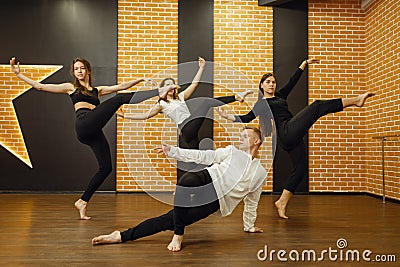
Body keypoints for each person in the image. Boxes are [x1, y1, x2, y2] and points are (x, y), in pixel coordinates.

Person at [10, 57, 173, 220]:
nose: (79, 71)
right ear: (73, 72)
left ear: (88, 70)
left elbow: (120, 86)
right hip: (84, 124)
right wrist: (19, 75)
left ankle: (82, 201)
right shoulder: (71, 88)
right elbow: (40, 86)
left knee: (106, 168)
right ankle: (159, 92)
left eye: (82, 68)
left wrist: (140, 79)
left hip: (93, 132)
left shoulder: (98, 91)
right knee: (119, 99)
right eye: (76, 69)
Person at [218, 59, 375, 219]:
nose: (271, 85)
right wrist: (227, 116)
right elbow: (246, 118)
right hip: (286, 132)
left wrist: (304, 64)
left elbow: (293, 81)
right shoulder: (262, 103)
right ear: (262, 86)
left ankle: (282, 202)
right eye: (268, 82)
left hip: (291, 135)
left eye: (273, 82)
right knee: (317, 106)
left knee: (301, 169)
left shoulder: (279, 96)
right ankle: (356, 101)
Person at [91, 126, 267, 252]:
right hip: (207, 178)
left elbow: (252, 201)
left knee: (169, 220)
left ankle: (121, 236)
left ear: (256, 140)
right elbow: (203, 156)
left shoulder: (260, 173)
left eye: (245, 136)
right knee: (185, 181)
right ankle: (179, 234)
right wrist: (173, 151)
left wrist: (249, 226)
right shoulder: (231, 152)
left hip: (216, 201)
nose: (240, 139)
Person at [117, 57, 253, 150]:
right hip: (185, 127)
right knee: (205, 102)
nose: (170, 87)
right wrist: (125, 116)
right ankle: (237, 97)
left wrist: (201, 67)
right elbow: (144, 115)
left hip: (191, 132)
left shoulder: (180, 97)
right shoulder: (161, 104)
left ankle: (189, 187)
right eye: (167, 86)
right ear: (163, 89)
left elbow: (195, 84)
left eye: (172, 85)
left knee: (196, 156)